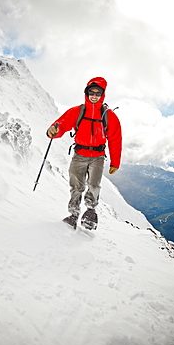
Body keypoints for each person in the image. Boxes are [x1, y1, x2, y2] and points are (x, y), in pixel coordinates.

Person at [47, 77, 122, 230]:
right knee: (76, 185)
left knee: (94, 185)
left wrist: (115, 162)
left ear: (103, 95)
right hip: (79, 154)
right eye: (91, 92)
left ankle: (90, 213)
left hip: (98, 157)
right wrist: (53, 131)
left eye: (98, 93)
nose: (94, 96)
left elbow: (115, 140)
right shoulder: (77, 111)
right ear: (86, 93)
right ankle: (73, 214)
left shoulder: (108, 116)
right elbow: (62, 125)